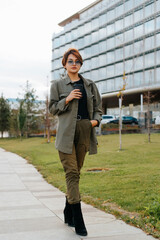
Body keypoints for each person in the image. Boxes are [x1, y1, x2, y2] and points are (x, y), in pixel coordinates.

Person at [49, 48, 102, 236]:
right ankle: (78, 220)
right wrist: (68, 99)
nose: (74, 64)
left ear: (80, 64)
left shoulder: (90, 85)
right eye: (70, 61)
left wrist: (93, 122)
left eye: (77, 61)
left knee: (76, 173)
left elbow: (98, 108)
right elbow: (52, 109)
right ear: (64, 64)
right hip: (65, 134)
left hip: (84, 131)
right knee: (72, 172)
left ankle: (67, 210)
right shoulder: (57, 85)